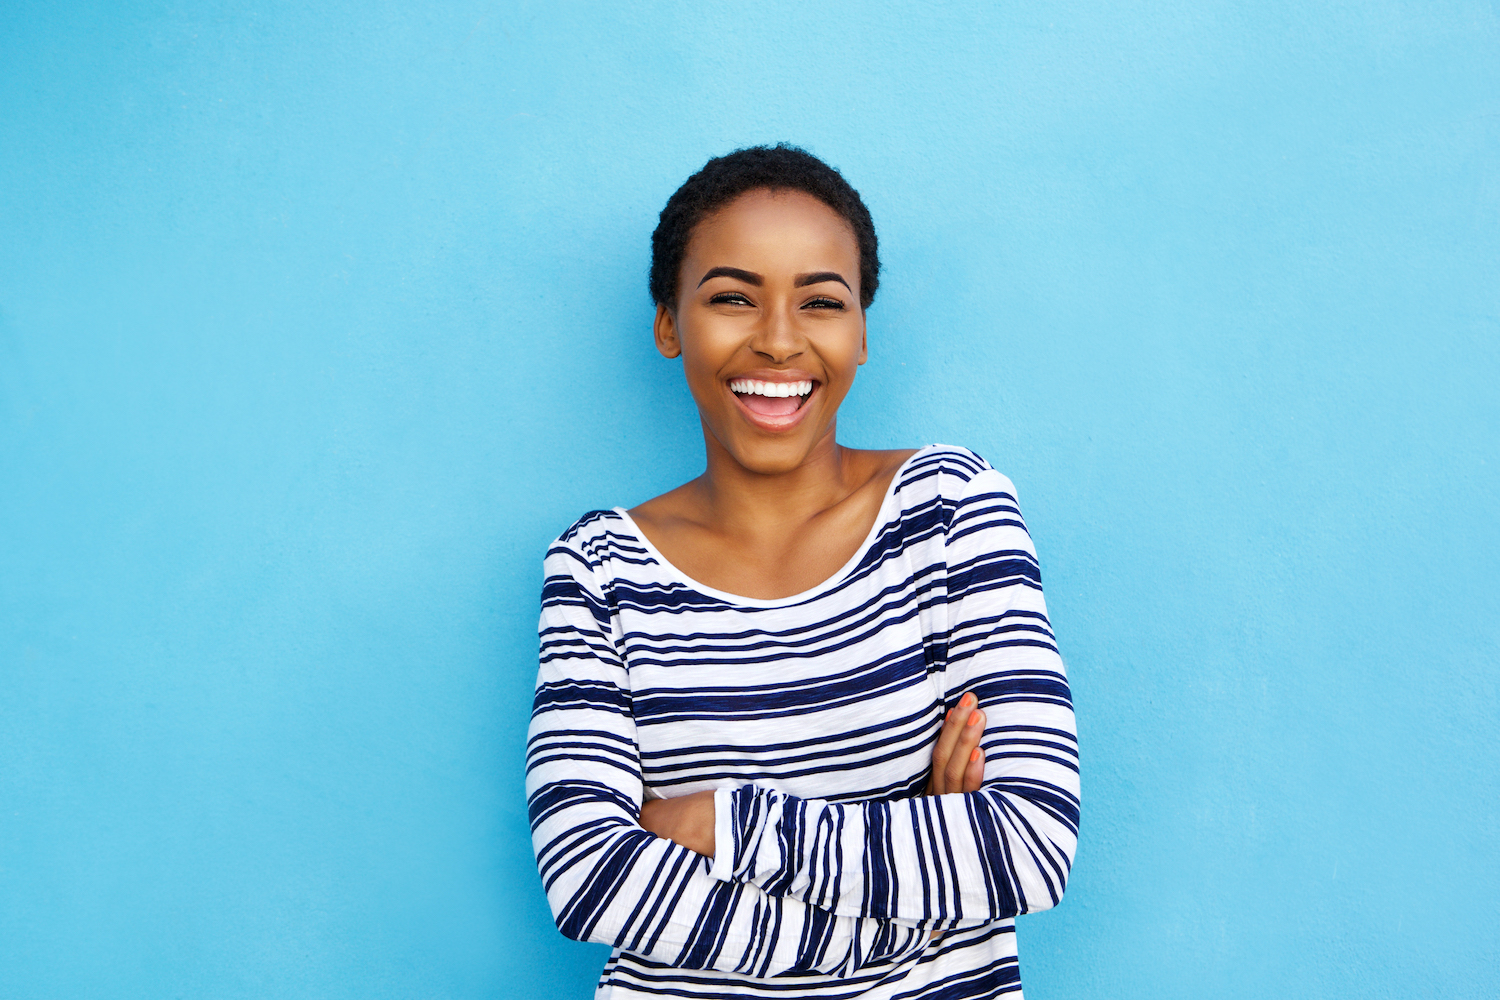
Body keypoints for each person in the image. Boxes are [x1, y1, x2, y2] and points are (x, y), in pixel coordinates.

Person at [526, 144, 1079, 999]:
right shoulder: (599, 568)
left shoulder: (950, 510)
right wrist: (918, 895)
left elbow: (1029, 847)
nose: (780, 340)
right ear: (671, 322)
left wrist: (718, 821)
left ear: (861, 333)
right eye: (732, 298)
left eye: (821, 301)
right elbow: (589, 877)